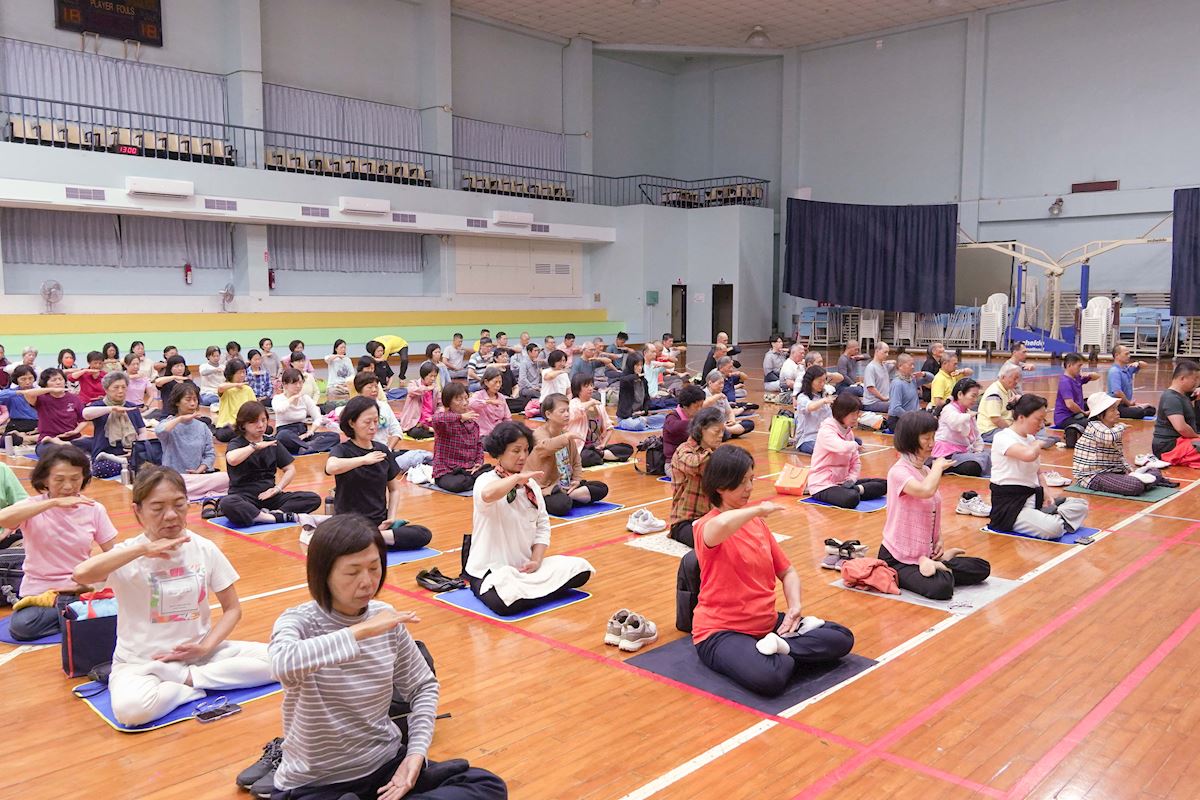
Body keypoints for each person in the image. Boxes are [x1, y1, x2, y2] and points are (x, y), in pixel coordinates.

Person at [268, 515, 507, 799]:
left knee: (487, 786)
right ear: (323, 573)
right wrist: (361, 631)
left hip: (385, 766)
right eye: (352, 572)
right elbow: (281, 664)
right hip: (318, 783)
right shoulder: (300, 621)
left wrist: (415, 755)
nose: (367, 582)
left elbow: (423, 686)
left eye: (374, 568)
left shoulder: (385, 617)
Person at [71, 466, 271, 726]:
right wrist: (142, 550)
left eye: (179, 505)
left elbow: (232, 609)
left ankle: (188, 681)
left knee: (281, 661)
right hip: (142, 664)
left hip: (200, 656)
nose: (171, 515)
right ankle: (200, 684)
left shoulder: (204, 548)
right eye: (157, 508)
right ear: (137, 511)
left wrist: (206, 647)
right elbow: (81, 574)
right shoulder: (127, 554)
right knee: (132, 711)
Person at [691, 445, 855, 697]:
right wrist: (758, 509)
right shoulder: (706, 526)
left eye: (751, 479)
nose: (749, 487)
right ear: (721, 487)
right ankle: (788, 650)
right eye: (742, 482)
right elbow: (720, 525)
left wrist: (794, 607)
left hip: (768, 625)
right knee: (771, 676)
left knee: (842, 637)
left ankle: (783, 647)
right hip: (721, 631)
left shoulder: (757, 525)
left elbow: (788, 572)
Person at [463, 421, 593, 616]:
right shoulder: (486, 480)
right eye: (516, 451)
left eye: (525, 450)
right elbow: (488, 495)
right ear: (500, 452)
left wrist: (536, 560)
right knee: (504, 601)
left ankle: (530, 593)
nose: (523, 456)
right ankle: (534, 593)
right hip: (493, 571)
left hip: (525, 569)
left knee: (581, 569)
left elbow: (543, 526)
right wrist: (516, 479)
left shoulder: (531, 485)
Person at [0, 445, 116, 641]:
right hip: (40, 594)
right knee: (22, 627)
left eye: (75, 479)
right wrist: (52, 503)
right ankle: (74, 615)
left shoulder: (94, 509)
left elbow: (112, 553)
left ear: (84, 477)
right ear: (45, 479)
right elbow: (3, 519)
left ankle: (73, 612)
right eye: (59, 480)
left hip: (79, 589)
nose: (68, 486)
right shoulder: (32, 507)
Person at [879, 413, 991, 600]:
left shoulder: (926, 470)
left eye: (933, 437)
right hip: (898, 557)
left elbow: (932, 507)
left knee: (981, 567)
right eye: (926, 438)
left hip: (925, 553)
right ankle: (934, 568)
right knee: (941, 587)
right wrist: (938, 467)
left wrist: (938, 541)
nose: (932, 443)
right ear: (910, 439)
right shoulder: (898, 472)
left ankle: (936, 565)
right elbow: (925, 491)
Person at [325, 397, 433, 552]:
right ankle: (372, 538)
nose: (372, 427)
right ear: (352, 423)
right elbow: (331, 467)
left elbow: (394, 490)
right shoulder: (342, 450)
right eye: (367, 422)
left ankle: (372, 537)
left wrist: (391, 517)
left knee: (422, 534)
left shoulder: (382, 450)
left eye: (376, 421)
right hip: (350, 523)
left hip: (379, 523)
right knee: (345, 535)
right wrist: (363, 460)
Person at [988, 394, 1089, 539]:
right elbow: (1028, 454)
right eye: (1038, 419)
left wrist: (1047, 493)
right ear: (1021, 417)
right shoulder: (1003, 437)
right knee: (1054, 529)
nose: (1041, 425)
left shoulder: (1030, 439)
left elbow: (1038, 473)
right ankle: (1053, 520)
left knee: (1081, 505)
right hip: (1011, 506)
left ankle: (1048, 517)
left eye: (1043, 420)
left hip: (1034, 498)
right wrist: (1038, 443)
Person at [218, 402, 322, 527]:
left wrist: (277, 489)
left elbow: (290, 469)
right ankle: (271, 518)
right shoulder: (237, 443)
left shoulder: (272, 442)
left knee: (312, 498)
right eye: (254, 422)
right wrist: (254, 447)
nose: (261, 425)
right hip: (244, 497)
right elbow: (232, 459)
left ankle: (271, 514)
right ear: (243, 424)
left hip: (270, 496)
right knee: (227, 503)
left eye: (263, 420)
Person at [1073, 393, 1174, 496]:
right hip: (1093, 476)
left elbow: (1119, 455)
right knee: (1135, 486)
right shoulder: (1095, 426)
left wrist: (1130, 470)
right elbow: (1109, 437)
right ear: (1100, 414)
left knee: (1155, 471)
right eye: (1113, 410)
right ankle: (1144, 482)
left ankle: (1143, 480)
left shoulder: (1112, 428)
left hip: (1111, 471)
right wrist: (1121, 427)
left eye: (1116, 409)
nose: (1118, 412)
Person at [526, 394, 610, 517]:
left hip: (566, 484)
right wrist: (566, 437)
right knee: (562, 505)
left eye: (567, 410)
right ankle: (570, 497)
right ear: (548, 414)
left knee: (601, 488)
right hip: (547, 487)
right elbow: (546, 447)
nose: (567, 414)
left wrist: (576, 480)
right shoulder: (539, 434)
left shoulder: (566, 434)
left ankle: (570, 495)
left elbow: (576, 461)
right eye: (562, 411)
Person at [807, 393, 887, 509]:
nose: (855, 417)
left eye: (857, 413)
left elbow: (856, 462)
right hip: (823, 485)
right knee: (851, 498)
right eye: (852, 414)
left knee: (884, 484)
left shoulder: (849, 432)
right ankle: (855, 491)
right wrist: (855, 445)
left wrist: (851, 480)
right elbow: (840, 447)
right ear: (841, 413)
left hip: (843, 483)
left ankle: (855, 489)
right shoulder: (826, 430)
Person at [155, 383, 229, 503]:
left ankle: (187, 493)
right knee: (169, 484)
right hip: (174, 478)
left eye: (195, 400)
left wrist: (199, 470)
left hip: (197, 478)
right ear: (177, 402)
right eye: (188, 399)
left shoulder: (202, 426)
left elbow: (210, 454)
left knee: (226, 478)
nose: (193, 403)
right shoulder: (169, 423)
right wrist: (180, 419)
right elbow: (160, 431)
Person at [668, 408, 725, 547]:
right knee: (711, 543)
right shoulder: (684, 450)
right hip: (685, 521)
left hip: (713, 517)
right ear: (701, 430)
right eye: (716, 431)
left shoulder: (716, 452)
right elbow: (695, 465)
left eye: (723, 431)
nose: (721, 436)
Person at [82, 371, 151, 476]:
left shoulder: (131, 407)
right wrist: (112, 408)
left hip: (130, 455)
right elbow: (86, 414)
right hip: (106, 456)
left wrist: (136, 450)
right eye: (116, 387)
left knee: (151, 465)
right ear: (106, 389)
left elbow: (142, 431)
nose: (120, 391)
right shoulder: (100, 406)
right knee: (102, 469)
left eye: (123, 387)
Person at [431, 384, 491, 494]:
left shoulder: (473, 424)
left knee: (492, 471)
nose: (464, 403)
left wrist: (478, 463)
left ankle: (475, 479)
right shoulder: (445, 422)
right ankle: (476, 481)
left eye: (466, 398)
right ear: (448, 402)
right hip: (447, 471)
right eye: (459, 399)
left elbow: (478, 446)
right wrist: (460, 417)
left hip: (467, 469)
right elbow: (435, 419)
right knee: (457, 484)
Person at [568, 374, 633, 466]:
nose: (590, 388)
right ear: (577, 389)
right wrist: (591, 402)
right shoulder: (572, 404)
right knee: (584, 457)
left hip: (596, 447)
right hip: (581, 447)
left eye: (591, 385)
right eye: (586, 386)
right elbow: (579, 410)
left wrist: (603, 444)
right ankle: (604, 456)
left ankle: (600, 455)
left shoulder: (598, 405)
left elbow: (609, 427)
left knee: (627, 449)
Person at [931, 379, 991, 477]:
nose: (975, 400)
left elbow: (976, 435)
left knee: (989, 455)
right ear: (960, 394)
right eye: (973, 396)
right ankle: (941, 467)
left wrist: (978, 450)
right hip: (946, 453)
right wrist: (968, 416)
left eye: (976, 396)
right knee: (973, 466)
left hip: (962, 452)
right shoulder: (949, 409)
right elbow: (956, 423)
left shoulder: (967, 412)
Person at [26, 367, 89, 455]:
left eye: (60, 379)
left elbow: (83, 420)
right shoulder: (41, 398)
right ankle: (62, 444)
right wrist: (51, 389)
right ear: (45, 383)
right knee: (58, 453)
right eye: (53, 380)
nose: (58, 382)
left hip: (72, 438)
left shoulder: (74, 398)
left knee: (95, 444)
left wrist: (76, 431)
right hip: (49, 440)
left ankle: (66, 444)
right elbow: (28, 393)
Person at [272, 368, 334, 455]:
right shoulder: (278, 398)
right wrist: (293, 398)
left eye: (300, 382)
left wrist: (311, 431)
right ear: (285, 385)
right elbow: (279, 409)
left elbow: (318, 417)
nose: (298, 386)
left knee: (333, 436)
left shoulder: (305, 398)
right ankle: (309, 447)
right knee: (282, 436)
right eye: (294, 383)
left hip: (303, 433)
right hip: (286, 433)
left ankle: (305, 447)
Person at [1151, 360, 1200, 468]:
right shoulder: (1171, 398)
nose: (1197, 382)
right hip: (1169, 446)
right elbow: (1181, 428)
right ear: (1182, 378)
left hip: (1181, 441)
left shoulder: (1182, 395)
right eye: (1195, 379)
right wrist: (1197, 436)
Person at [616, 353, 676, 430]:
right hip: (627, 418)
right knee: (638, 424)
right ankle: (644, 423)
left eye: (641, 365)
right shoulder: (626, 381)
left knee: (665, 418)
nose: (639, 368)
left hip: (641, 416)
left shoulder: (643, 381)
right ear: (631, 365)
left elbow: (647, 399)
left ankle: (645, 422)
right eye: (637, 365)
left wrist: (644, 411)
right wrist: (637, 376)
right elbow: (624, 379)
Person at [1054, 352, 1101, 448]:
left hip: (1076, 414)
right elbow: (1070, 404)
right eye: (1078, 366)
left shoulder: (1077, 378)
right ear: (1069, 365)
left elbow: (1097, 377)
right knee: (1092, 424)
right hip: (1064, 418)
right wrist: (1084, 412)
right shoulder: (1065, 382)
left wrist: (1089, 374)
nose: (1080, 369)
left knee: (1098, 416)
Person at [792, 366, 835, 455]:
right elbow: (810, 407)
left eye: (824, 381)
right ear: (810, 381)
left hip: (824, 437)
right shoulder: (802, 397)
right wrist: (823, 401)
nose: (822, 384)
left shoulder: (823, 396)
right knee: (824, 449)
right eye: (819, 381)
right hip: (807, 439)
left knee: (855, 441)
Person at [1107, 344, 1156, 419]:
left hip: (1125, 404)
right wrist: (1129, 404)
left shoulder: (1127, 368)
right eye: (1126, 354)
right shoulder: (1114, 371)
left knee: (1151, 410)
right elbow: (1117, 392)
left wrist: (1138, 363)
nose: (1129, 356)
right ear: (1117, 355)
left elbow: (1145, 365)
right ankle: (1136, 409)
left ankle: (1135, 408)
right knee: (1139, 412)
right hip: (1116, 406)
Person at [977, 363, 1022, 444]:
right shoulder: (994, 393)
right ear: (1003, 377)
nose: (1016, 382)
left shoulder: (1008, 390)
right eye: (1014, 378)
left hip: (1001, 428)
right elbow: (996, 419)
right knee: (1017, 438)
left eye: (1018, 379)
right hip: (989, 431)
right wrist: (1011, 431)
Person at [215, 359, 258, 443]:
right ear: (231, 374)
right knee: (224, 435)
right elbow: (220, 387)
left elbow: (254, 407)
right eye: (239, 373)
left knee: (267, 429)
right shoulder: (227, 389)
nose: (242, 375)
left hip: (244, 425)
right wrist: (236, 385)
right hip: (228, 425)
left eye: (244, 372)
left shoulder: (248, 389)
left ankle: (244, 435)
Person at [663, 384, 706, 466]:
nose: (700, 409)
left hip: (694, 459)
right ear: (685, 406)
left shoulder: (696, 417)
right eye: (696, 406)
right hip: (674, 463)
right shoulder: (672, 418)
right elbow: (675, 427)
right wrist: (699, 423)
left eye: (701, 406)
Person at [704, 370, 755, 438]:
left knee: (749, 424)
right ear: (710, 383)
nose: (722, 386)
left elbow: (730, 412)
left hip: (723, 424)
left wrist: (732, 420)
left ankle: (726, 432)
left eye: (723, 383)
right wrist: (717, 396)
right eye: (719, 383)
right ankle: (727, 432)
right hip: (709, 426)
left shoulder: (722, 395)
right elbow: (704, 405)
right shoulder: (703, 394)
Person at [397, 362, 440, 440]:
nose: (433, 379)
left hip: (430, 420)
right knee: (414, 432)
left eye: (435, 376)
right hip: (416, 422)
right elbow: (411, 390)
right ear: (424, 375)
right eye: (431, 376)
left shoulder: (435, 389)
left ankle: (432, 431)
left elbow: (440, 405)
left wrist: (434, 416)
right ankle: (434, 432)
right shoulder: (414, 383)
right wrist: (426, 388)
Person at [468, 367, 512, 439]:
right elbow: (470, 403)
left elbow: (507, 418)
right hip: (483, 435)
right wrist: (488, 401)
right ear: (486, 382)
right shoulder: (479, 395)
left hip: (499, 434)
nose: (498, 385)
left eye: (500, 382)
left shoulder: (501, 397)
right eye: (495, 382)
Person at [0, 364, 39, 440]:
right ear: (16, 380)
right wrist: (21, 392)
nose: (27, 382)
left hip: (36, 425)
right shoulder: (11, 393)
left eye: (30, 378)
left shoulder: (39, 392)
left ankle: (27, 439)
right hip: (16, 425)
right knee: (8, 439)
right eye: (23, 379)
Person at [886, 354, 924, 433]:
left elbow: (931, 378)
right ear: (900, 366)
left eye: (913, 364)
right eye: (910, 365)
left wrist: (924, 374)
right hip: (899, 420)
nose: (913, 367)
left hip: (912, 417)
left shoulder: (912, 380)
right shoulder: (897, 383)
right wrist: (911, 419)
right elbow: (896, 408)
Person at [861, 342, 894, 414]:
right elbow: (870, 388)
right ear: (877, 351)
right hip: (872, 403)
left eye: (888, 352)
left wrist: (892, 362)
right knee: (895, 407)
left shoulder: (884, 365)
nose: (887, 355)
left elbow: (896, 364)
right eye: (885, 352)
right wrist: (883, 398)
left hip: (883, 401)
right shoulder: (871, 367)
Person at [325, 339, 355, 405]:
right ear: (336, 349)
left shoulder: (348, 360)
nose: (343, 349)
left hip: (346, 385)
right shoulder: (332, 358)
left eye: (344, 347)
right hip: (335, 386)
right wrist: (338, 355)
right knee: (332, 392)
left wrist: (347, 384)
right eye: (341, 347)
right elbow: (327, 359)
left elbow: (352, 374)